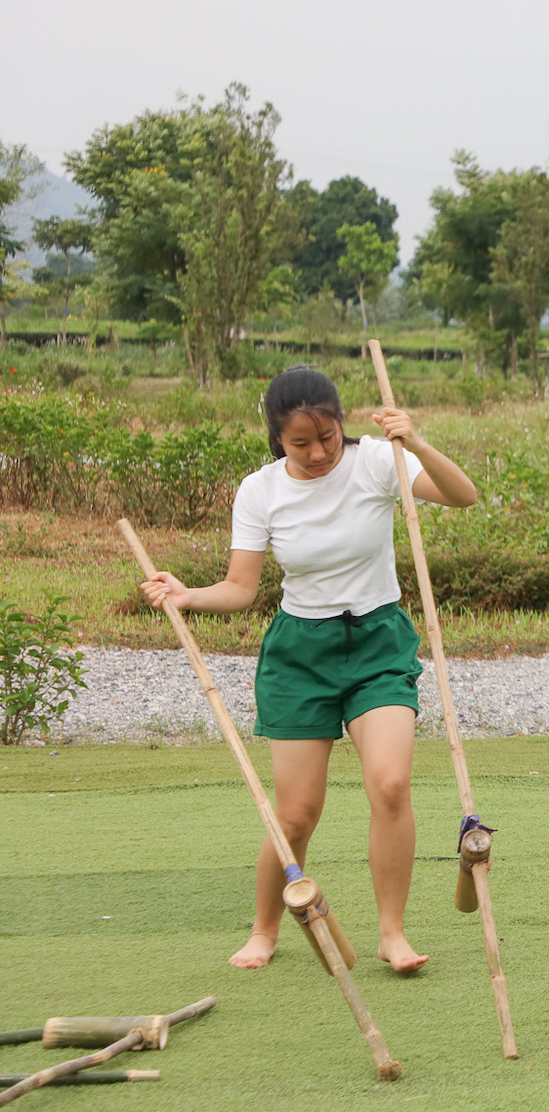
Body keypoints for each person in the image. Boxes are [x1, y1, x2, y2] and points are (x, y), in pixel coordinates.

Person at [139, 366, 479, 971]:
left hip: (378, 643)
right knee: (295, 811)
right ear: (277, 439)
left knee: (391, 784)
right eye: (301, 443)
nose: (320, 452)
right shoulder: (260, 490)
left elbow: (463, 495)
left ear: (341, 423)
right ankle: (266, 928)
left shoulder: (378, 460)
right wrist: (186, 594)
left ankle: (392, 934)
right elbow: (241, 588)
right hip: (300, 654)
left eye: (327, 436)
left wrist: (417, 441)